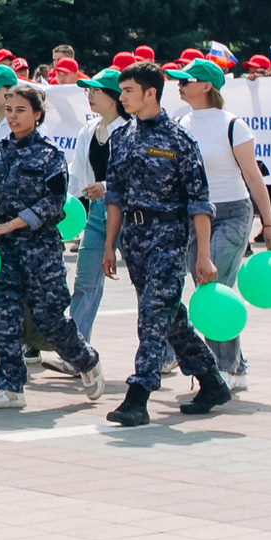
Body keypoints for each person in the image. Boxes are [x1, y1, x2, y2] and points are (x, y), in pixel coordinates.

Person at [100, 62, 228, 427]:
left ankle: (138, 395)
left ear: (150, 93)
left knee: (152, 316)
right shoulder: (122, 137)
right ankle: (212, 382)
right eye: (121, 92)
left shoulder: (178, 139)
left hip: (169, 237)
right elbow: (115, 197)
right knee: (170, 318)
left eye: (128, 91)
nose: (122, 98)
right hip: (135, 240)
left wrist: (202, 255)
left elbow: (200, 202)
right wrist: (111, 245)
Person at [0, 84, 105, 410]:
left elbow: (55, 203)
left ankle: (86, 361)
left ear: (37, 115)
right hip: (2, 249)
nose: (13, 116)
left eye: (21, 110)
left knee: (49, 319)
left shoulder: (50, 155)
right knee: (5, 316)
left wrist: (12, 223)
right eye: (9, 110)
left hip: (39, 249)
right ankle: (11, 387)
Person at [169, 58, 271, 393]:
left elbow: (253, 177)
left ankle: (224, 368)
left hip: (233, 212)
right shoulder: (179, 122)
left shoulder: (234, 125)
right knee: (207, 291)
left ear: (206, 87)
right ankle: (237, 365)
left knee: (212, 287)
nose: (179, 85)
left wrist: (270, 223)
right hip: (194, 216)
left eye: (186, 80)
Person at [67, 67, 125, 347]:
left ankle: (167, 351)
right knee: (85, 283)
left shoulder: (130, 130)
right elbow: (77, 177)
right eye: (88, 90)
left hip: (129, 214)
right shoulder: (88, 130)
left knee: (148, 287)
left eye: (96, 91)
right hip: (96, 213)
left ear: (115, 96)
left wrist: (108, 186)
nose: (90, 96)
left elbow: (138, 177)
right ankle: (77, 351)